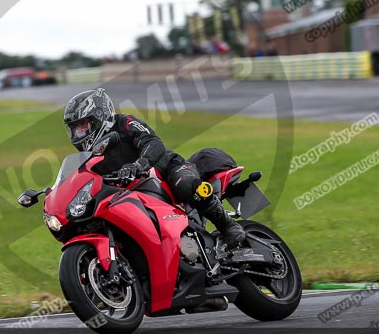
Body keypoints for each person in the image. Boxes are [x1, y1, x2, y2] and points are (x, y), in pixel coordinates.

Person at [63, 88, 246, 248]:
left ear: (99, 116)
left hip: (167, 169)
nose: (80, 132)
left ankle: (228, 226)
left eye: (83, 125)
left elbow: (153, 142)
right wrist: (53, 193)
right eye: (75, 128)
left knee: (186, 185)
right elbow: (81, 178)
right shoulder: (90, 155)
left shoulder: (124, 123)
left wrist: (139, 164)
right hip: (133, 192)